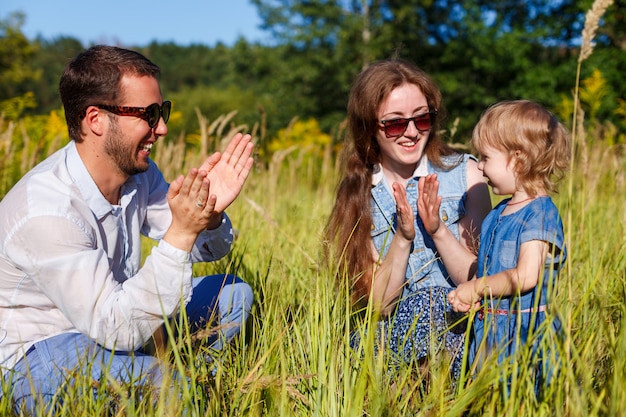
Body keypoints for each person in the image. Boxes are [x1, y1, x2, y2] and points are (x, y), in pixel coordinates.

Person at [0, 45, 255, 413]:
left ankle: (197, 391)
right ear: (96, 119)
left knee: (233, 296)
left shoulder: (139, 175)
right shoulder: (46, 209)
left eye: (162, 111)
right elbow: (116, 327)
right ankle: (174, 391)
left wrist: (207, 211)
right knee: (160, 382)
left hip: (113, 321)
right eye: (149, 114)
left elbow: (205, 248)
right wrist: (182, 233)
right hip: (38, 353)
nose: (162, 128)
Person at [324, 59, 492, 378]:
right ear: (370, 127)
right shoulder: (360, 195)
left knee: (434, 304)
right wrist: (402, 239)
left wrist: (438, 230)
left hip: (462, 330)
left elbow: (479, 279)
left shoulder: (468, 175)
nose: (412, 133)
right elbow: (380, 306)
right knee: (413, 312)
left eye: (422, 119)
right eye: (395, 124)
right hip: (393, 344)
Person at [420, 100, 570, 392]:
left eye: (486, 157)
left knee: (521, 398)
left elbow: (527, 276)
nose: (479, 165)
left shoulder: (539, 212)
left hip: (523, 335)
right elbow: (488, 269)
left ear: (518, 159)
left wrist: (477, 287)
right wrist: (472, 292)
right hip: (490, 331)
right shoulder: (497, 214)